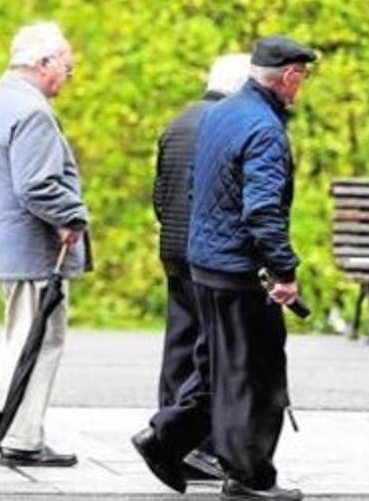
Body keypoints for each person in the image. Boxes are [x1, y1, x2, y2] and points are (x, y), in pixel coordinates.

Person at [132, 35, 316, 501]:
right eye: (303, 77)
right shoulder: (264, 129)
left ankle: (166, 436)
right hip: (238, 270)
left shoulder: (219, 115)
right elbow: (261, 211)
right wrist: (284, 270)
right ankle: (249, 477)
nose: (303, 87)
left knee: (217, 367)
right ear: (289, 75)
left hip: (205, 266)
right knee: (257, 376)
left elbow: (198, 189)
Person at [0, 22, 90, 468]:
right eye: (66, 68)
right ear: (43, 62)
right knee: (41, 338)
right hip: (32, 250)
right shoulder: (31, 111)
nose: (68, 78)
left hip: (5, 246)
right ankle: (15, 431)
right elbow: (37, 185)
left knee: (23, 333)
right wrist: (72, 215)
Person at [151, 53, 251, 482]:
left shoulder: (178, 122)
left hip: (174, 248)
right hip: (210, 257)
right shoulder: (228, 126)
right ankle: (199, 446)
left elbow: (160, 192)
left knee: (180, 346)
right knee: (217, 353)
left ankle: (169, 437)